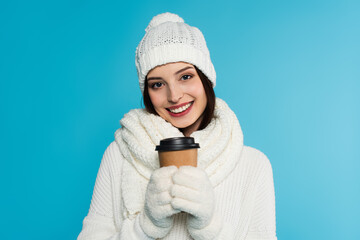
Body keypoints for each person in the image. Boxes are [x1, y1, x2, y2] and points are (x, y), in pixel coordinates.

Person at [78, 12, 277, 240]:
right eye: (158, 84)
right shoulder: (120, 154)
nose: (174, 96)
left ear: (206, 79)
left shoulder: (253, 165)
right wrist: (145, 226)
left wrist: (210, 227)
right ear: (147, 93)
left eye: (185, 77)